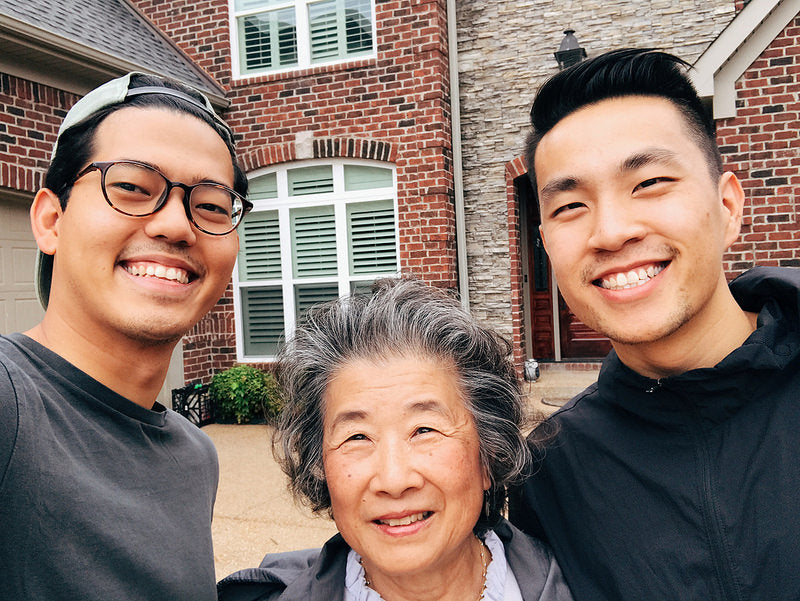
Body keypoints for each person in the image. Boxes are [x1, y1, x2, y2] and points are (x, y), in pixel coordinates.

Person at [508, 48, 800, 600]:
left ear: (728, 206)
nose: (611, 232)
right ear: (546, 242)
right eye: (570, 207)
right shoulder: (554, 476)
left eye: (649, 183)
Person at [0, 72, 251, 600]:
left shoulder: (194, 458)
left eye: (210, 205)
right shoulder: (10, 401)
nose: (176, 226)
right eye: (133, 188)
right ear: (51, 220)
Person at [217, 277, 573, 601]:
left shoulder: (584, 583)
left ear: (489, 456)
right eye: (357, 436)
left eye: (424, 430)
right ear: (319, 466)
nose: (394, 480)